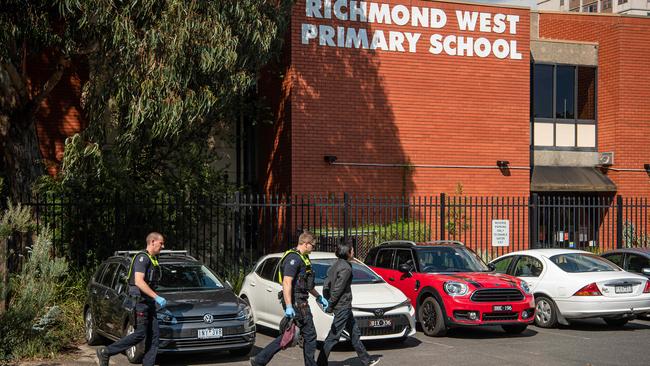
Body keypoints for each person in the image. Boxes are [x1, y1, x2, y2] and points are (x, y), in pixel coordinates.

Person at [250, 230, 329, 366]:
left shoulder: (303, 258)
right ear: (305, 243)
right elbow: (287, 282)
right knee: (310, 335)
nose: (313, 248)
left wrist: (318, 297)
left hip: (299, 301)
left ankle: (260, 360)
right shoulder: (294, 259)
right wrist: (289, 306)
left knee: (290, 335)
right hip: (297, 303)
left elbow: (305, 283)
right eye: (313, 245)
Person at [96, 232, 167, 366]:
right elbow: (139, 282)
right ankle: (106, 351)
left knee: (154, 337)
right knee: (140, 334)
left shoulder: (153, 259)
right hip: (141, 303)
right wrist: (157, 297)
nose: (163, 246)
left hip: (149, 303)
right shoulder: (142, 258)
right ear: (152, 242)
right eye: (161, 243)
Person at [317, 242, 380, 366]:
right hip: (342, 307)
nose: (354, 252)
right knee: (333, 336)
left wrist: (328, 299)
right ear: (348, 252)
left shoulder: (334, 266)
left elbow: (326, 285)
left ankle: (366, 360)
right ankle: (320, 363)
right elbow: (338, 289)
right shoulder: (346, 267)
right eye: (352, 250)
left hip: (343, 306)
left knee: (354, 333)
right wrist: (330, 304)